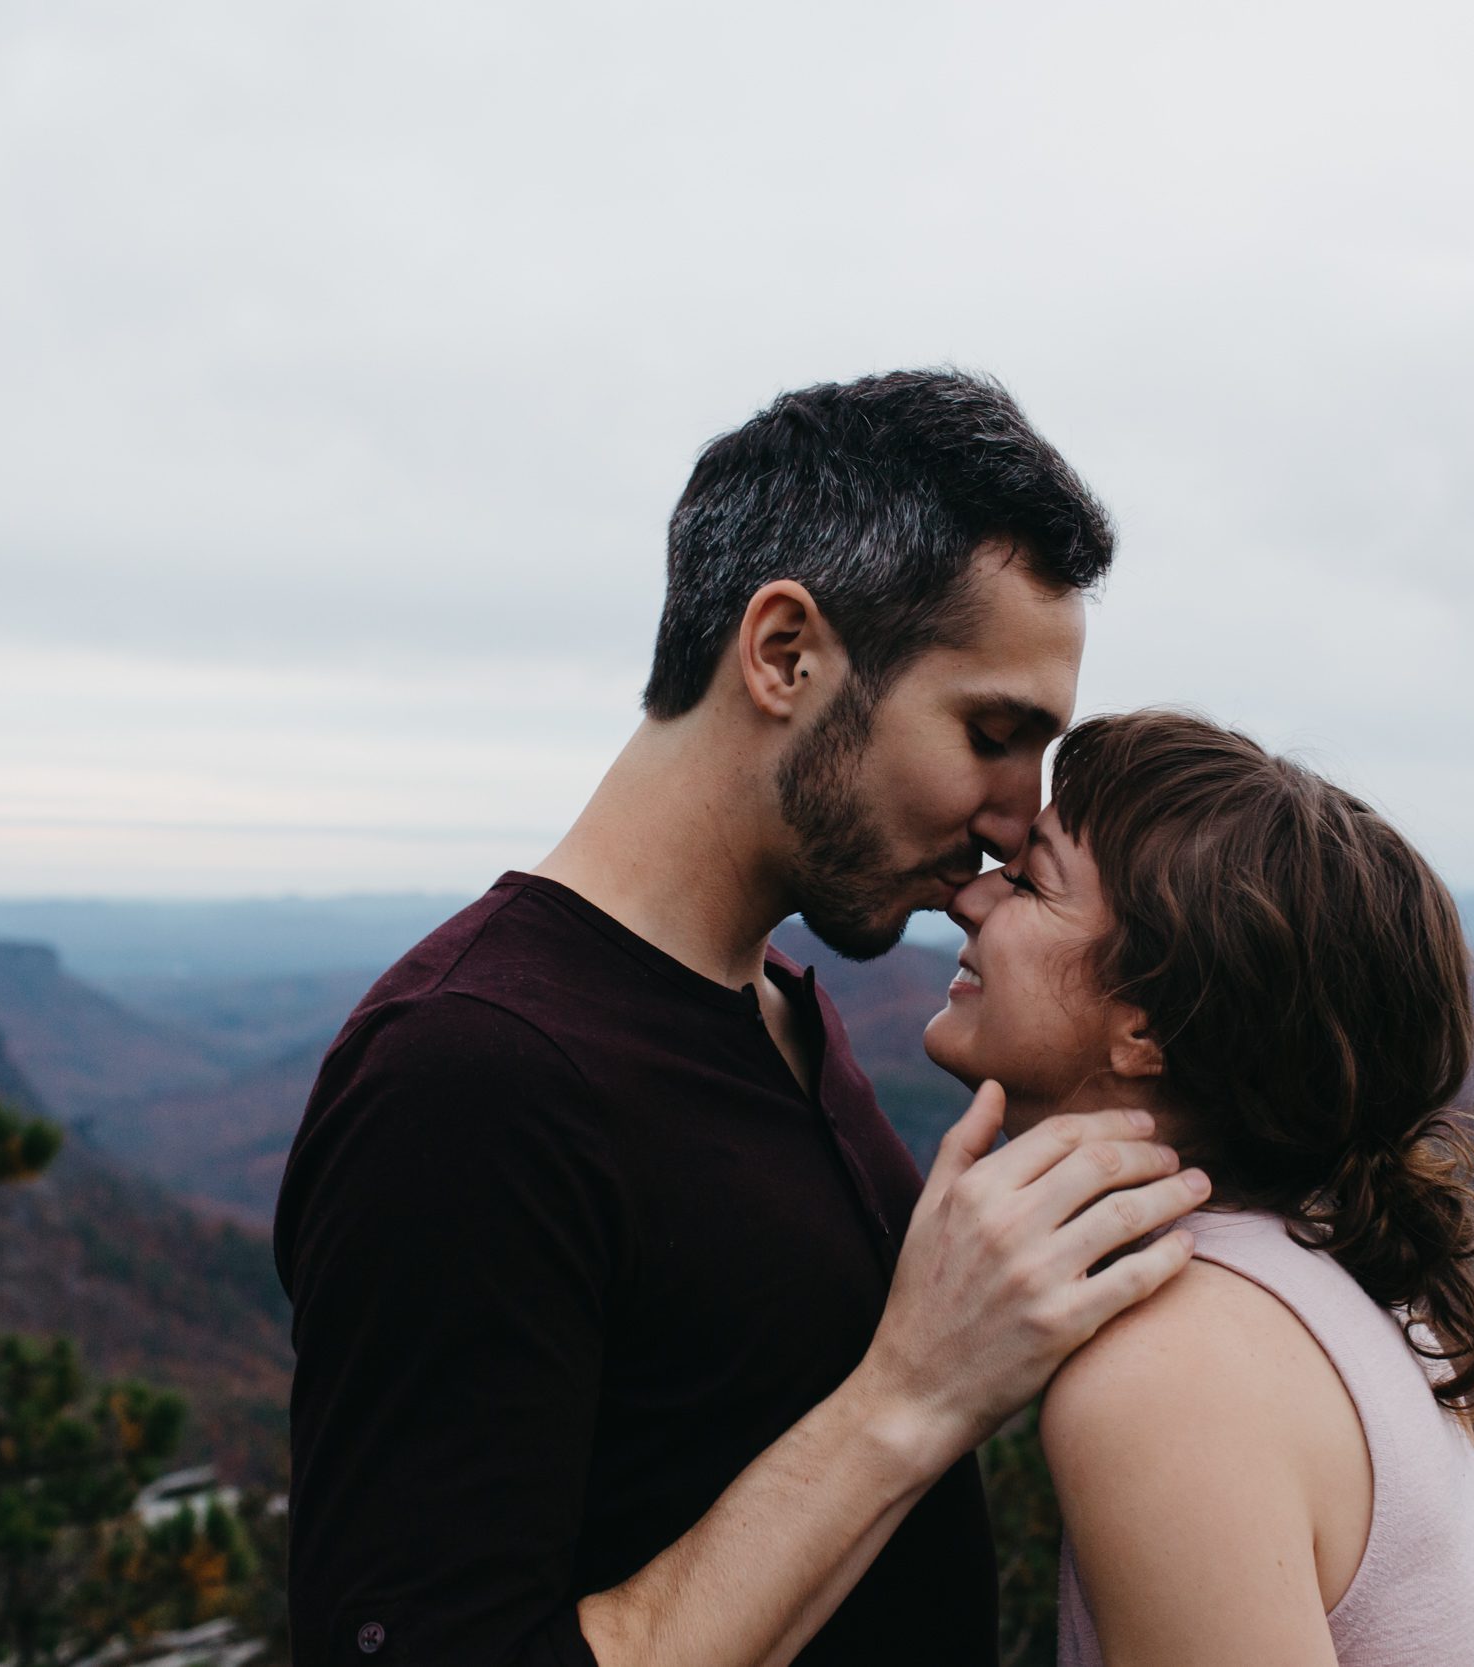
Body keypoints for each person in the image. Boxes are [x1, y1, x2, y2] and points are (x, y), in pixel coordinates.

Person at [272, 371, 1211, 1667]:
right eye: (993, 731)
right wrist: (914, 1394)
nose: (1016, 814)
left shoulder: (776, 1007)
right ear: (784, 653)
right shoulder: (470, 1075)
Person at [923, 708, 1474, 1666]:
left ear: (1147, 1030)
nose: (971, 899)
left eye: (1033, 883)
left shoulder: (1174, 1371)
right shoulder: (1319, 1279)